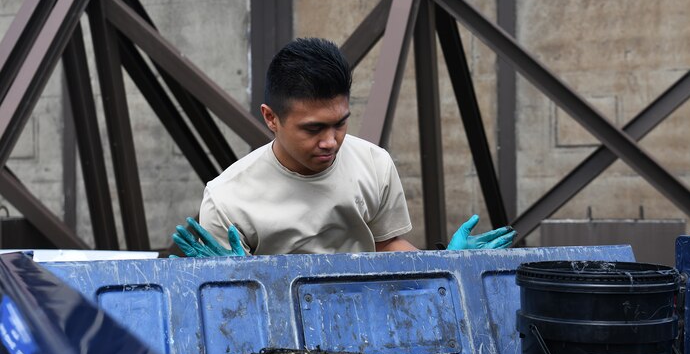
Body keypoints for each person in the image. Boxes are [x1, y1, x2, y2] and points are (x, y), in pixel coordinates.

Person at [172, 38, 515, 258]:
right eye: (313, 128)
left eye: (340, 123)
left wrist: (448, 265)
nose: (330, 141)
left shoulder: (374, 163)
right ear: (271, 118)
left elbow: (384, 245)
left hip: (368, 321)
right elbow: (225, 314)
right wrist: (229, 280)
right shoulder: (227, 199)